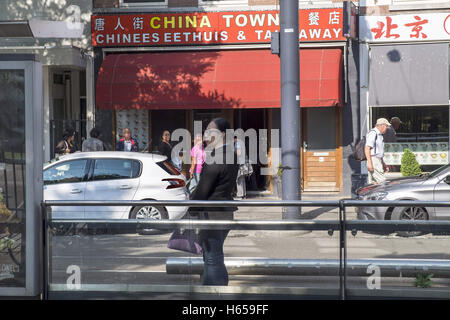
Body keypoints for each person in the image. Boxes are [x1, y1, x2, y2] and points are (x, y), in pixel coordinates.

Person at [190, 118, 239, 286]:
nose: (206, 134)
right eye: (206, 130)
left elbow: (203, 190)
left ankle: (215, 294)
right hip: (225, 212)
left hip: (211, 215)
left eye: (211, 131)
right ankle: (210, 291)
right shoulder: (230, 154)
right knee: (213, 257)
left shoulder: (216, 158)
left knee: (212, 258)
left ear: (223, 134)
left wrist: (190, 209)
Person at [365, 118, 391, 184]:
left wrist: (383, 164)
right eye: (386, 126)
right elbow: (367, 148)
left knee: (375, 184)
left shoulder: (379, 135)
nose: (387, 128)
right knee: (382, 182)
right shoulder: (373, 133)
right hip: (374, 160)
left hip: (377, 160)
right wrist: (370, 163)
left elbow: (379, 151)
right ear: (382, 125)